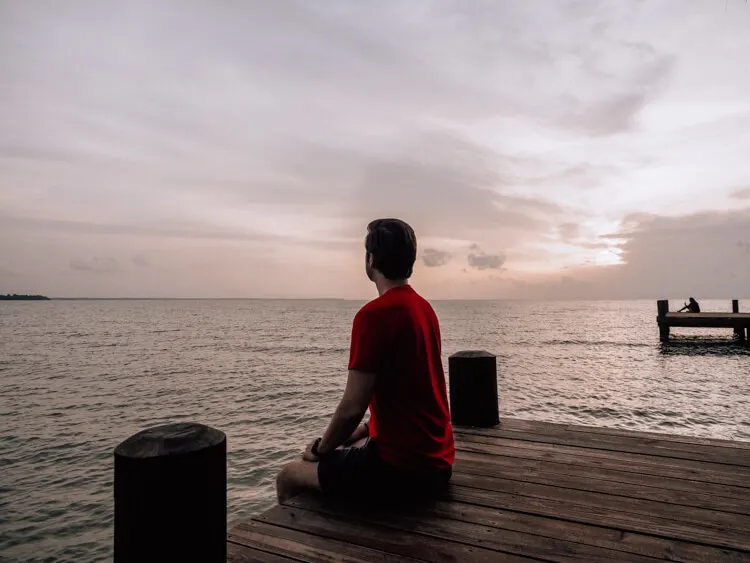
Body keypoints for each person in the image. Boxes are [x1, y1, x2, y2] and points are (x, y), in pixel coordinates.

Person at [275, 218, 455, 505]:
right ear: (410, 260)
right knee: (353, 443)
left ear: (370, 260)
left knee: (290, 474)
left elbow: (351, 407)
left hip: (402, 473)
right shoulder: (424, 309)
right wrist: (353, 436)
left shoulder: (373, 316)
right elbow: (410, 400)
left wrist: (320, 450)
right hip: (438, 465)